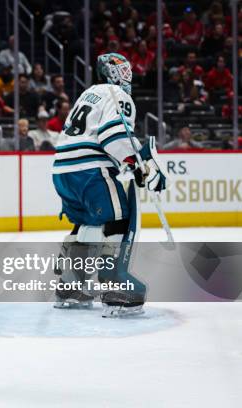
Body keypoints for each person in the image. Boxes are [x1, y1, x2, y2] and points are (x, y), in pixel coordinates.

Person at [51, 53, 168, 317]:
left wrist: (132, 161)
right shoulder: (118, 95)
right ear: (113, 74)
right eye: (125, 70)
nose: (129, 75)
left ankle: (71, 286)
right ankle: (116, 285)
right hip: (91, 170)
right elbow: (114, 135)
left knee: (85, 222)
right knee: (119, 220)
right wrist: (141, 165)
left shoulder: (88, 93)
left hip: (62, 170)